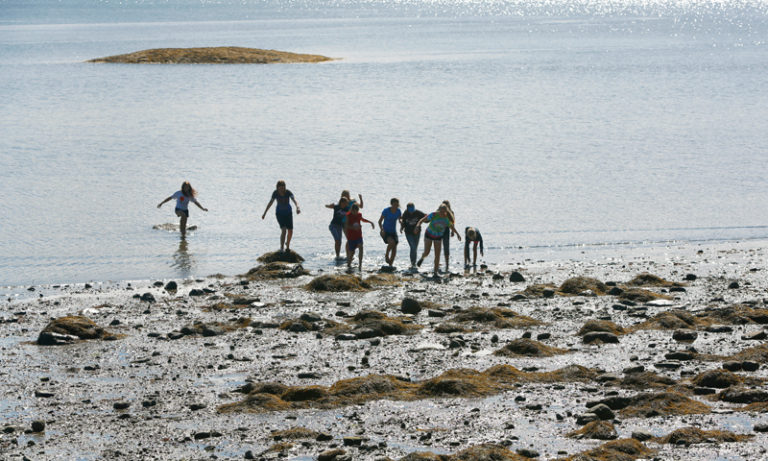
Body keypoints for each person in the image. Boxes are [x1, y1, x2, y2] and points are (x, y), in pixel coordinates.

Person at [416, 204, 461, 277]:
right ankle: (422, 257)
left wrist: (457, 234)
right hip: (429, 234)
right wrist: (418, 225)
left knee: (437, 255)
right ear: (438, 210)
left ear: (446, 212)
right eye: (441, 212)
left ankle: (435, 272)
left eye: (444, 212)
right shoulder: (433, 215)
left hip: (438, 236)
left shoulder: (446, 219)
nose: (442, 213)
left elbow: (451, 227)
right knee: (427, 252)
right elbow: (422, 220)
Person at [261, 180, 300, 252]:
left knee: (290, 231)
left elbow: (294, 200)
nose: (282, 189)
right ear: (277, 188)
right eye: (281, 188)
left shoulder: (288, 192)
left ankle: (287, 245)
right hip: (279, 214)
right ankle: (282, 248)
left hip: (288, 213)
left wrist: (297, 207)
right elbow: (270, 203)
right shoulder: (275, 193)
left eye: (283, 187)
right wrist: (264, 213)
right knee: (284, 230)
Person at [344, 203, 374, 271]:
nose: (355, 213)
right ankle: (348, 265)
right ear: (352, 210)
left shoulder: (359, 214)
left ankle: (360, 265)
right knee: (352, 253)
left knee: (361, 246)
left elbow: (362, 219)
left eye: (356, 211)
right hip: (351, 237)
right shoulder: (348, 215)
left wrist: (370, 222)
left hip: (358, 235)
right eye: (354, 211)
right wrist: (353, 228)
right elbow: (346, 226)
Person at [400, 202, 425, 269]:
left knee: (414, 248)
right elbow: (403, 221)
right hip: (408, 233)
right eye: (410, 209)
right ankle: (413, 263)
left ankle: (413, 264)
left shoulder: (418, 213)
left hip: (417, 233)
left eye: (412, 208)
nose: (411, 211)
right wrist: (401, 228)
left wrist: (430, 219)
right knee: (413, 247)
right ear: (407, 209)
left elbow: (425, 218)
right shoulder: (406, 213)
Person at [378, 198, 402, 267]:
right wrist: (382, 229)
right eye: (394, 204)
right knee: (392, 243)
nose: (396, 206)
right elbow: (379, 222)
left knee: (394, 247)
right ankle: (386, 255)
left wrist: (401, 225)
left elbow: (400, 220)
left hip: (393, 232)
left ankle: (390, 265)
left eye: (397, 204)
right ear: (391, 204)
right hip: (385, 231)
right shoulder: (386, 211)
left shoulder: (398, 211)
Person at [440, 200, 458, 272]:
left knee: (446, 247)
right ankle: (437, 262)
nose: (445, 207)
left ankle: (447, 264)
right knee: (437, 247)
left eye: (446, 205)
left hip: (446, 231)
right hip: (439, 231)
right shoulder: (439, 211)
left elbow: (453, 222)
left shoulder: (451, 212)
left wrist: (453, 231)